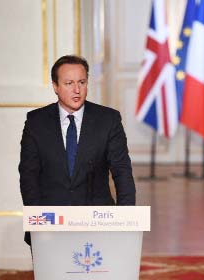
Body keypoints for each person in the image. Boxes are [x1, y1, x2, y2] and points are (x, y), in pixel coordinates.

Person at [19, 55, 136, 245]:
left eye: (82, 82)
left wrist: (126, 221)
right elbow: (28, 177)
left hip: (98, 224)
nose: (77, 90)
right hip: (50, 226)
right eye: (68, 83)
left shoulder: (109, 120)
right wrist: (39, 222)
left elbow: (122, 172)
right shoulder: (36, 122)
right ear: (55, 86)